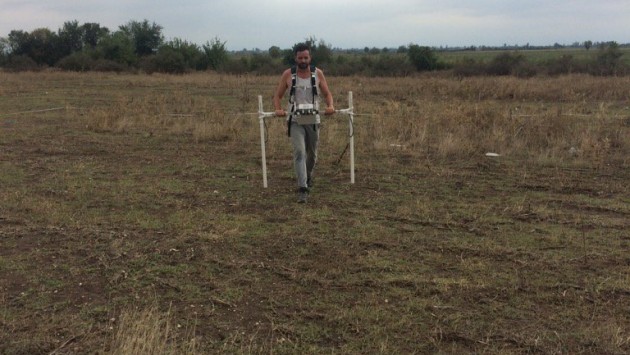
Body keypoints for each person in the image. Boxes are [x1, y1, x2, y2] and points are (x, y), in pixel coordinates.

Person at [273, 43, 335, 203]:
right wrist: (278, 109)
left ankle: (307, 176)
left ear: (310, 58)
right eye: (300, 57)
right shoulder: (288, 74)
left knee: (312, 154)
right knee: (300, 152)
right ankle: (303, 188)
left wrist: (330, 106)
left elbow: (327, 94)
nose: (303, 60)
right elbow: (277, 96)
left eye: (305, 57)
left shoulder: (318, 74)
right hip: (295, 120)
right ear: (295, 58)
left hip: (313, 119)